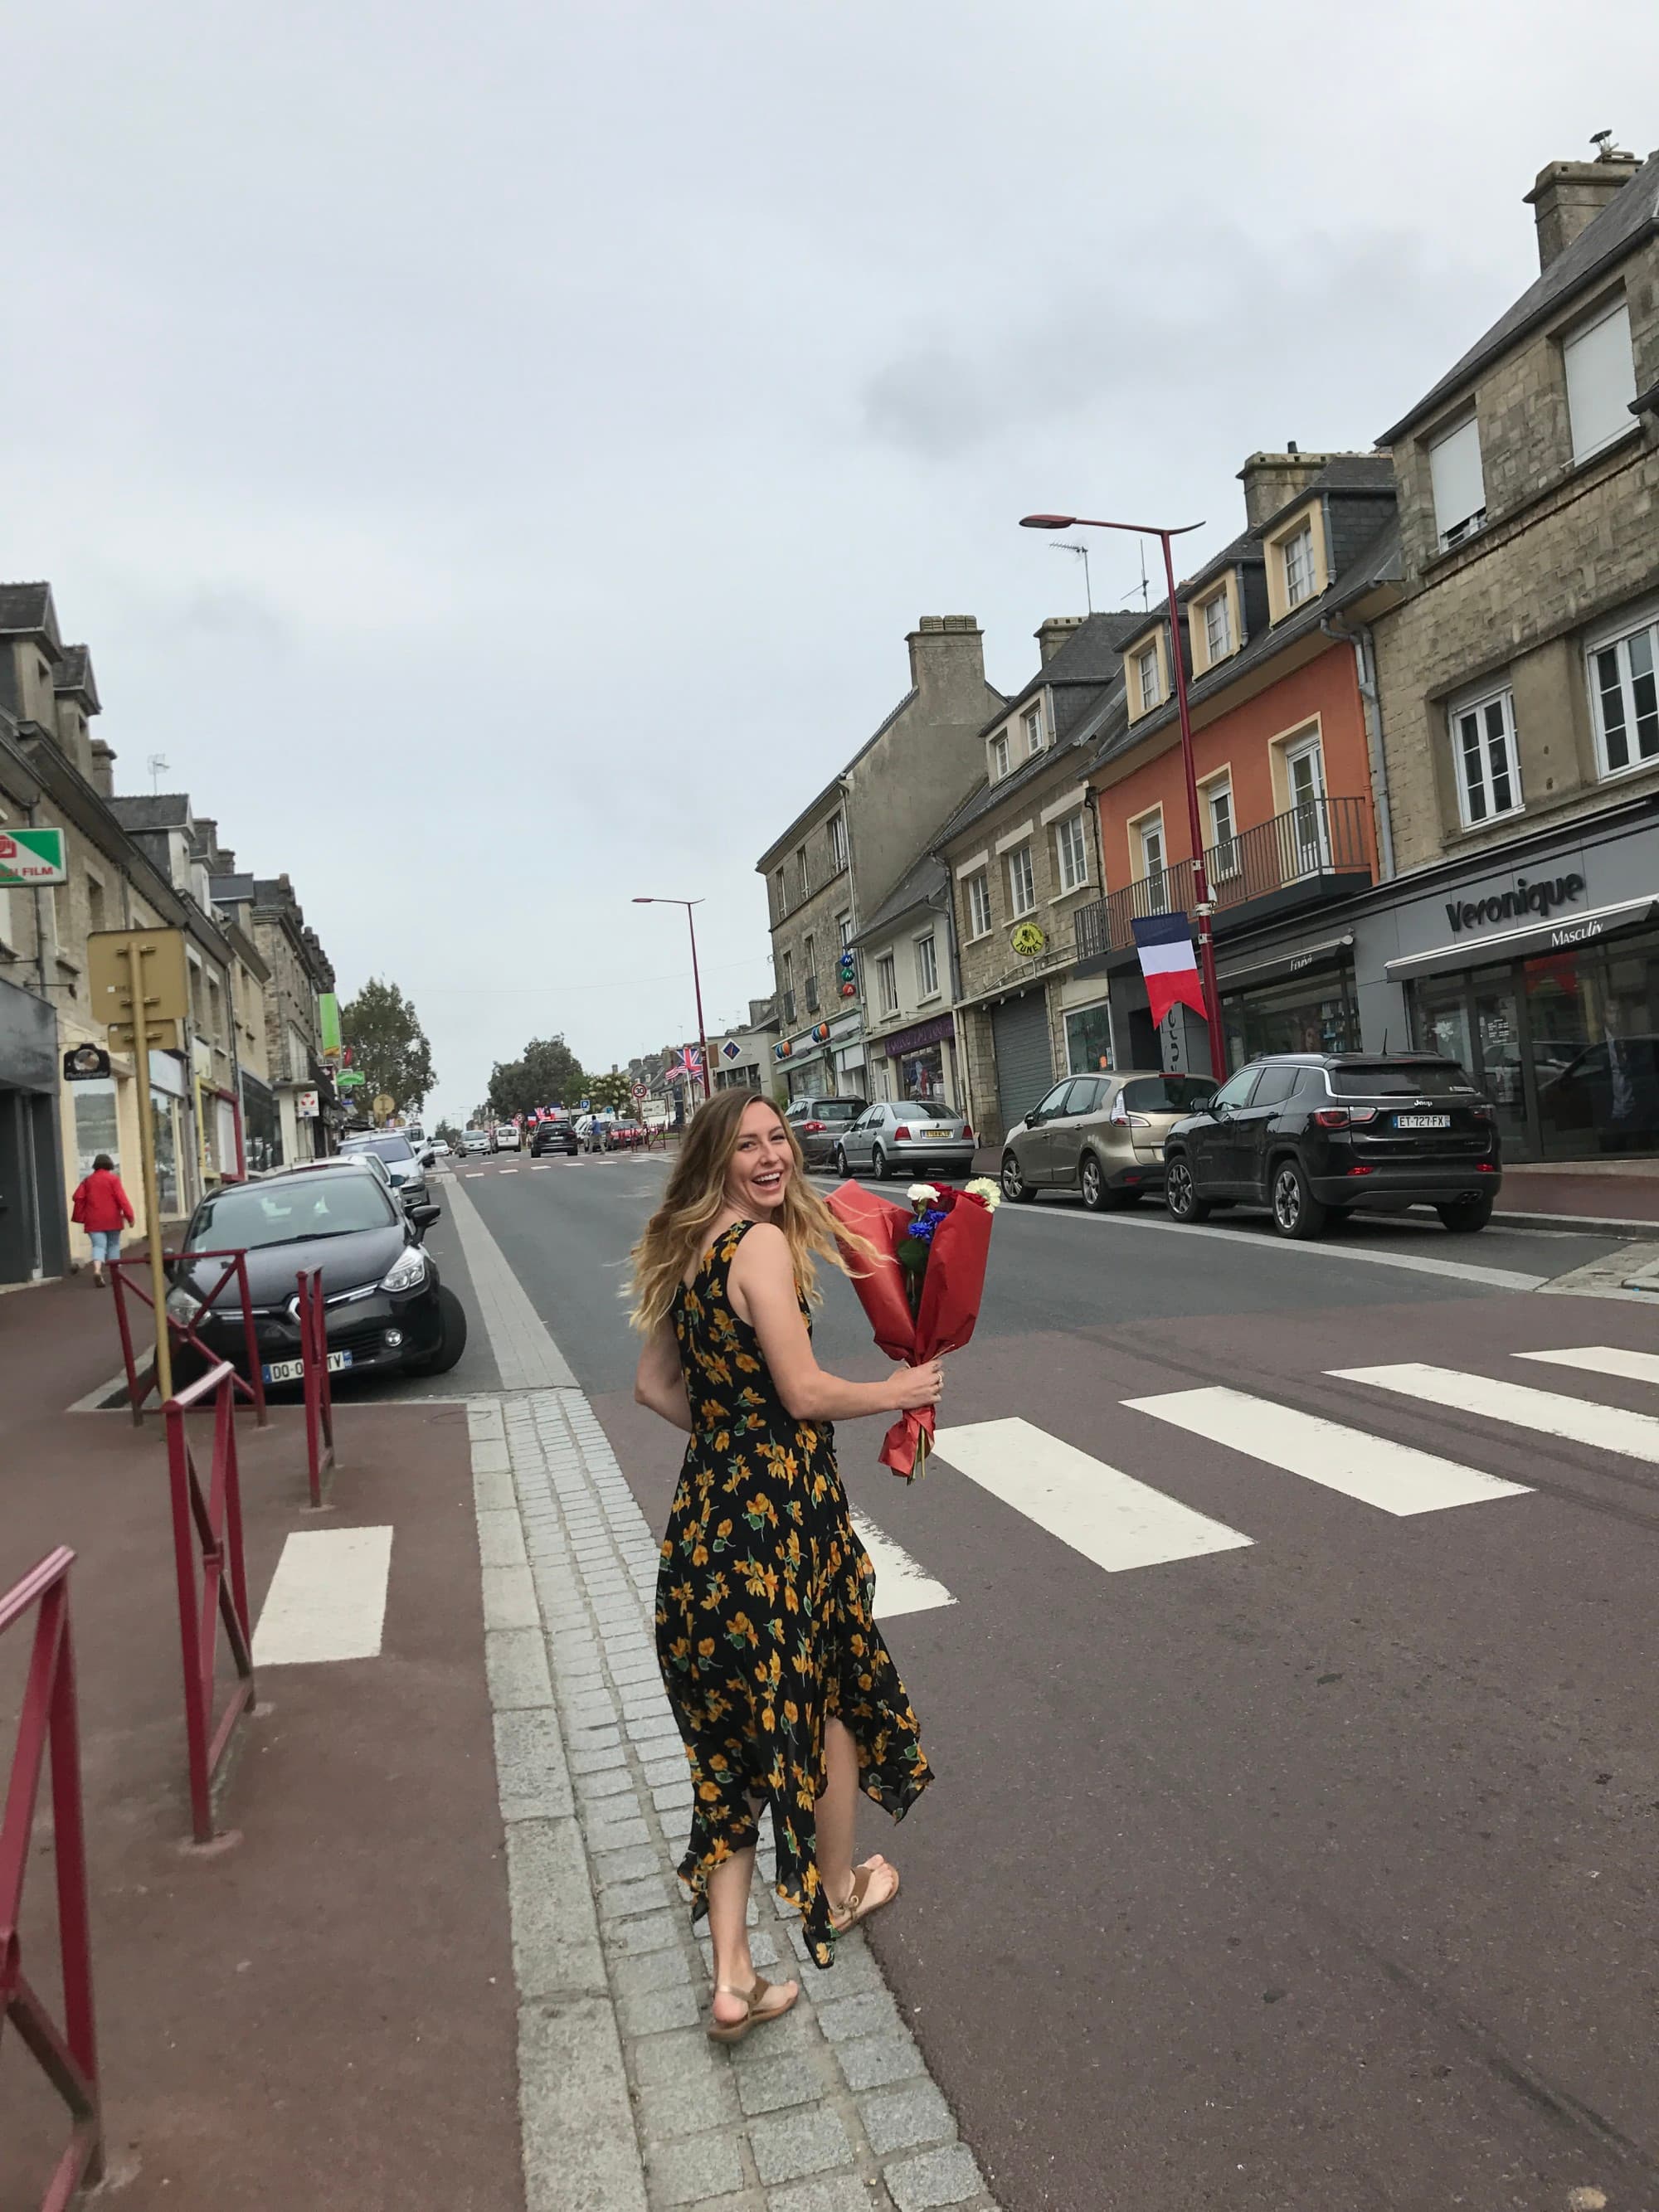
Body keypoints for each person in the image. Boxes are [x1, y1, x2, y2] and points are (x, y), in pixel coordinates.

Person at [630, 1090, 943, 2044]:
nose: (771, 1156)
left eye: (777, 1139)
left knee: (729, 1756)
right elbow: (803, 1391)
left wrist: (731, 1433)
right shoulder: (758, 1247)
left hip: (701, 1538)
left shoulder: (688, 1247)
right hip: (778, 1534)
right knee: (837, 1696)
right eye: (748, 1145)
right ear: (716, 1159)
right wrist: (894, 1388)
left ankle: (732, 1982)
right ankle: (839, 1889)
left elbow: (651, 1386)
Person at [71, 1152, 135, 1286]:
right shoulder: (113, 1180)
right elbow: (122, 1199)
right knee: (113, 1245)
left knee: (98, 1246)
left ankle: (97, 1270)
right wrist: (130, 1216)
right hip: (112, 1219)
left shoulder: (88, 1181)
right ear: (110, 1165)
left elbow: (77, 1197)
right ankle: (115, 1274)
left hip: (93, 1220)